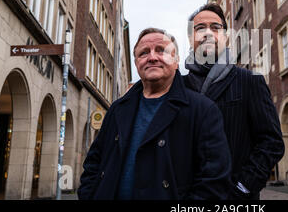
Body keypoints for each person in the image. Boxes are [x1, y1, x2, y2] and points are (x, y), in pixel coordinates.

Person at [78, 28, 232, 200]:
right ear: (136, 63)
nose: (152, 57)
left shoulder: (202, 110)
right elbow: (93, 163)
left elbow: (214, 181)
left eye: (161, 50)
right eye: (144, 53)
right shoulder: (117, 109)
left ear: (176, 60)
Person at [183, 3, 285, 200]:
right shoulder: (179, 87)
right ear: (191, 38)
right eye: (200, 28)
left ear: (225, 37)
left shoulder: (249, 81)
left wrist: (243, 187)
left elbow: (271, 142)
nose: (207, 33)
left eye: (215, 27)